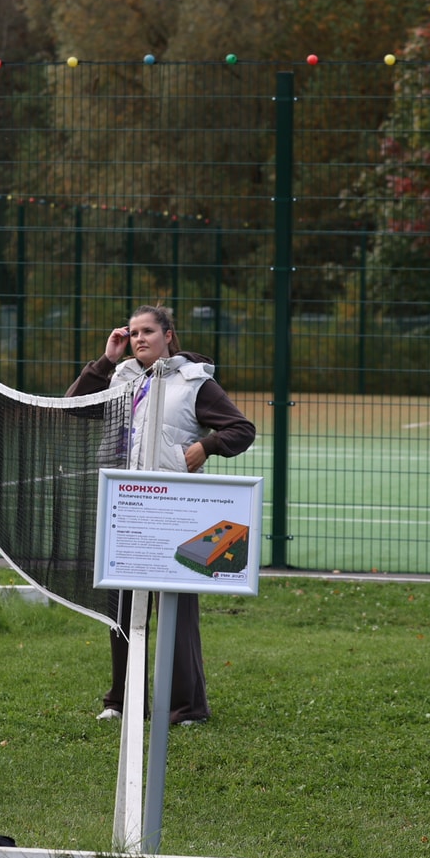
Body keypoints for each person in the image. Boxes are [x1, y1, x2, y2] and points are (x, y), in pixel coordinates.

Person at [66, 305, 255, 726]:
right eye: (133, 332)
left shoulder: (194, 382)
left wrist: (205, 446)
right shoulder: (121, 377)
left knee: (176, 611)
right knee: (121, 609)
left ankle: (188, 707)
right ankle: (123, 701)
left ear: (168, 335)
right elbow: (74, 405)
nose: (139, 339)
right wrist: (106, 360)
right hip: (124, 506)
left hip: (173, 509)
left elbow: (242, 430)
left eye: (147, 331)